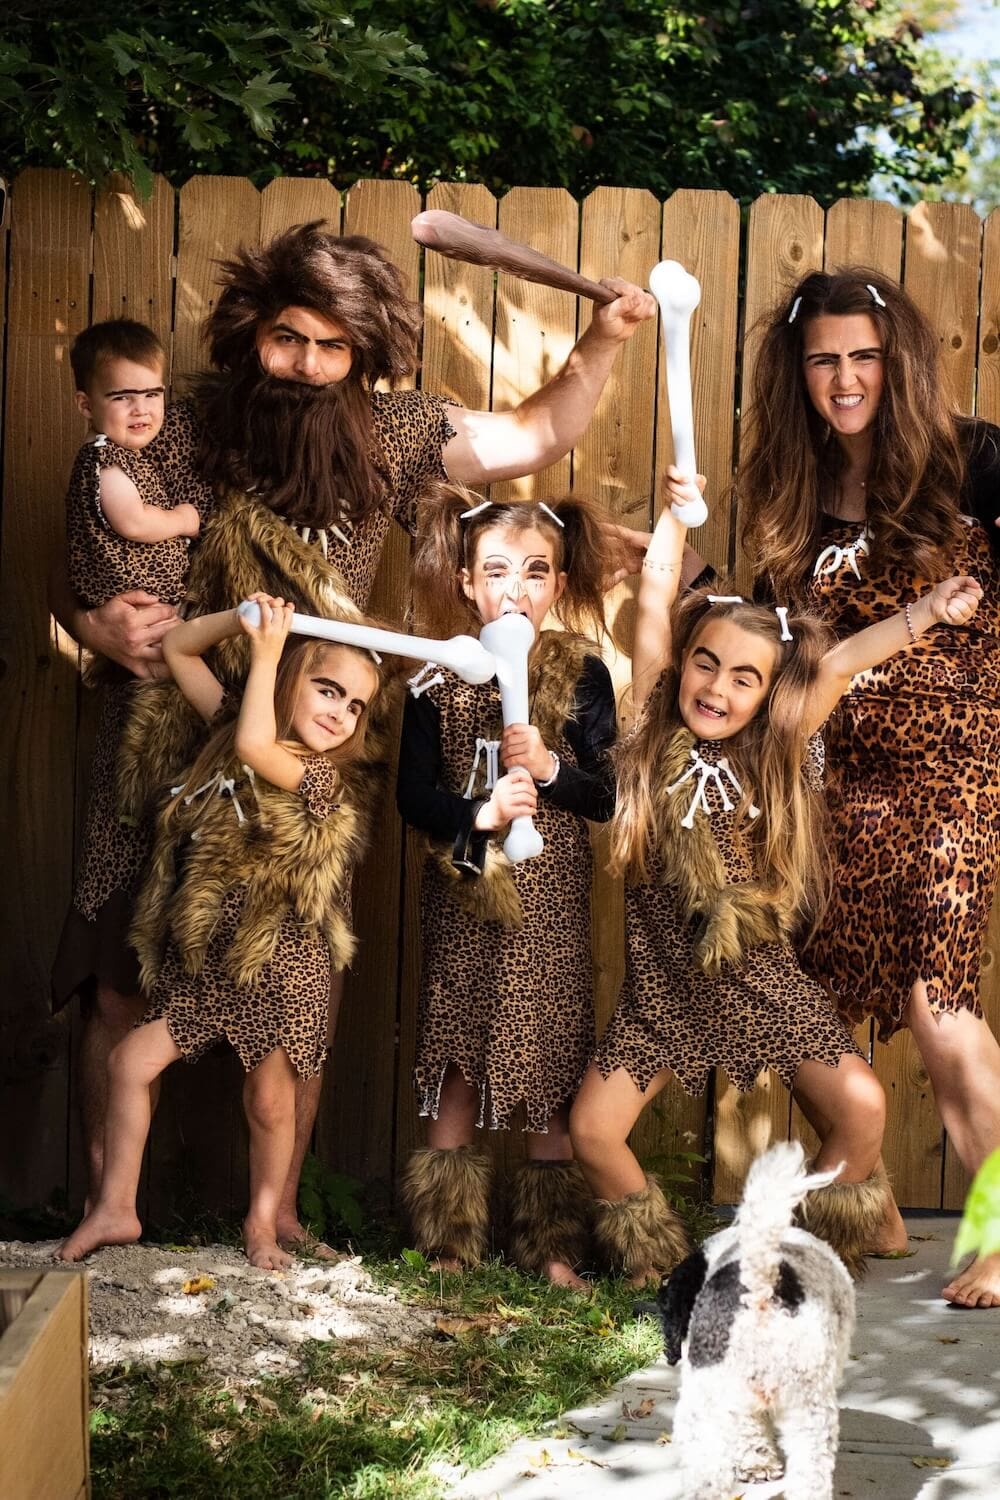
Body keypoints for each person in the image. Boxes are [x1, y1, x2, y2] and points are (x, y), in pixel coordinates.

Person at [51, 219, 656, 1251]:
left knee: (297, 980)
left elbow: (529, 438)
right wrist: (94, 613)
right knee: (118, 970)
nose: (309, 366)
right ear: (254, 332)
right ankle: (112, 1213)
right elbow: (92, 520)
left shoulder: (392, 429)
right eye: (292, 339)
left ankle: (276, 1211)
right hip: (167, 728)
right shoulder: (190, 421)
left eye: (335, 348)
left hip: (310, 745)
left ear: (365, 355)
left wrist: (600, 343)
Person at [569, 489, 981, 1284]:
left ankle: (780, 1246)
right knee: (592, 1129)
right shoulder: (650, 730)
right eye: (707, 663)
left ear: (767, 695)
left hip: (761, 983)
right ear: (685, 663)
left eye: (745, 678)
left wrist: (930, 608)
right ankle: (668, 1267)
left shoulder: (777, 749)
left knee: (862, 1106)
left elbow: (840, 663)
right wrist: (673, 518)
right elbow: (656, 600)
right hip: (663, 993)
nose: (718, 688)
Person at [740, 266, 1000, 1309]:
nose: (844, 379)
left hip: (957, 767)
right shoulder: (787, 495)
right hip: (833, 773)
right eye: (823, 360)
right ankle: (868, 1203)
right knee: (814, 988)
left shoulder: (973, 461)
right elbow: (776, 654)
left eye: (863, 357)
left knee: (937, 1011)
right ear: (795, 372)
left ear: (896, 363)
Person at [58, 593, 381, 1269]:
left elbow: (255, 745)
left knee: (268, 1103)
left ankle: (263, 1223)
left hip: (281, 968)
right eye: (328, 690)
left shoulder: (322, 780)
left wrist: (265, 656)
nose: (340, 713)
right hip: (210, 970)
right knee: (128, 1062)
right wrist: (246, 622)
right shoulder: (235, 723)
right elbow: (178, 648)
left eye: (355, 706)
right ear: (294, 680)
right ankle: (118, 1206)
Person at [396, 488, 617, 1287]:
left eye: (534, 573)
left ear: (556, 586)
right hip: (465, 894)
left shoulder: (583, 674)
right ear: (465, 582)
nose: (514, 590)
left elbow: (606, 793)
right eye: (496, 572)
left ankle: (552, 1247)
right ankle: (449, 1241)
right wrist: (478, 810)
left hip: (550, 902)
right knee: (456, 1055)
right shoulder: (437, 681)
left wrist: (551, 767)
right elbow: (411, 798)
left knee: (550, 1066)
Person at [66, 319, 202, 628]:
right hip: (136, 599)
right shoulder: (106, 460)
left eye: (152, 394)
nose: (140, 409)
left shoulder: (118, 451)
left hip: (148, 597)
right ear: (86, 406)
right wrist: (182, 519)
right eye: (122, 397)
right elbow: (133, 522)